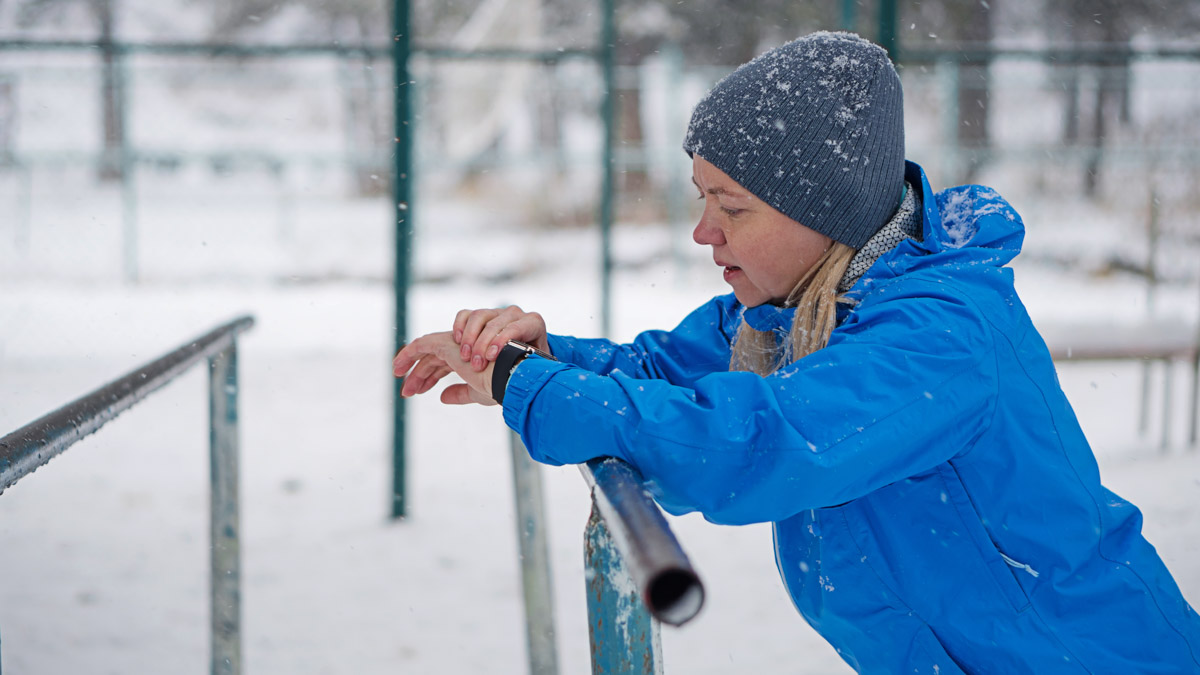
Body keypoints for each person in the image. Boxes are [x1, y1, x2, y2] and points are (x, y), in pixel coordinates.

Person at [393, 31, 1200, 674]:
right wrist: (543, 357)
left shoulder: (934, 342)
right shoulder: (789, 315)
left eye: (730, 207)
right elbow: (663, 373)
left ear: (823, 213)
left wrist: (533, 387)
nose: (703, 232)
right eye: (701, 200)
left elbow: (757, 438)